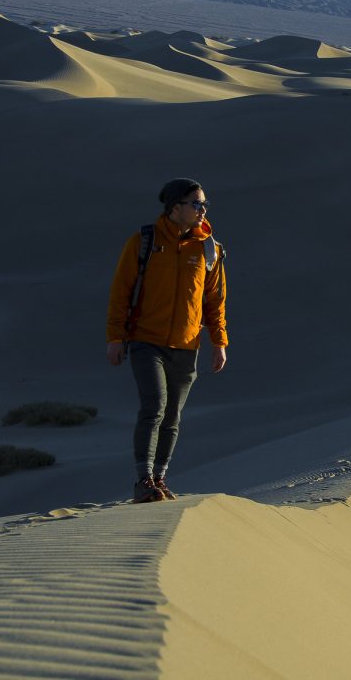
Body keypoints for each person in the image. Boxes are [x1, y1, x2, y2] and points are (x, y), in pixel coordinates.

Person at [106, 178, 228, 503]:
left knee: (172, 416)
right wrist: (115, 337)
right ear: (176, 207)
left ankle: (159, 478)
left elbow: (215, 300)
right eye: (196, 204)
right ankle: (143, 480)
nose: (203, 210)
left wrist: (219, 342)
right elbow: (121, 291)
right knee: (154, 407)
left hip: (187, 345)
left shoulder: (209, 249)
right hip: (147, 340)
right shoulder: (143, 242)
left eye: (204, 204)